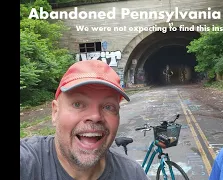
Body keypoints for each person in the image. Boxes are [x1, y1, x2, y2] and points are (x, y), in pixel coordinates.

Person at [20, 60, 150, 180]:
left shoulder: (132, 174)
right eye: (78, 104)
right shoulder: (28, 163)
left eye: (108, 107)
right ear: (55, 112)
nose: (95, 116)